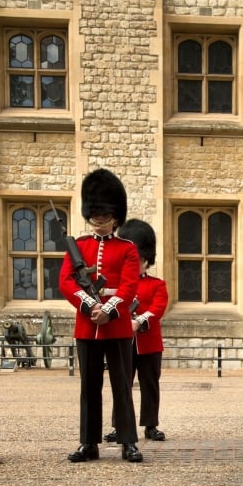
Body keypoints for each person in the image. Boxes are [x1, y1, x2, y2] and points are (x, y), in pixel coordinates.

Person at [59, 168, 142, 463]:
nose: (100, 221)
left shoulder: (128, 248)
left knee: (122, 386)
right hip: (86, 325)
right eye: (96, 215)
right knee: (89, 387)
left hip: (116, 325)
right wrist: (88, 305)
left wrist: (108, 309)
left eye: (105, 216)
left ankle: (128, 441)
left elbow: (130, 285)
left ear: (115, 217)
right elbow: (66, 281)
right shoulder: (78, 246)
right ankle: (88, 443)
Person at [104, 219, 169, 443]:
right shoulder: (120, 285)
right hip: (123, 342)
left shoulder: (157, 284)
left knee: (149, 386)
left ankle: (150, 425)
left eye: (142, 260)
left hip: (149, 343)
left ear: (146, 261)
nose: (138, 263)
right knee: (122, 385)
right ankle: (119, 425)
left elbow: (158, 308)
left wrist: (139, 321)